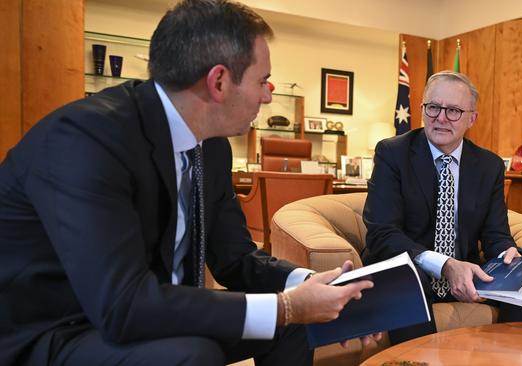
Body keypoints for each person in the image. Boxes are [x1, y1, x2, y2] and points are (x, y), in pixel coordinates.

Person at [0, 1, 377, 365]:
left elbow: (235, 259)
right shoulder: (88, 139)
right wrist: (287, 306)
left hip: (145, 310)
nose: (268, 94)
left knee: (289, 327)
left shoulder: (211, 146)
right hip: (55, 329)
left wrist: (314, 287)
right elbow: (121, 305)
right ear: (219, 81)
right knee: (196, 353)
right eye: (263, 81)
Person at [362, 70, 522, 344]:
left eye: (453, 111)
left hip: (465, 274)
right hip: (409, 265)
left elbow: (495, 234)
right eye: (433, 107)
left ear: (472, 118)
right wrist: (444, 264)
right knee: (410, 281)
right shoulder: (393, 154)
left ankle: (507, 360)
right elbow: (381, 234)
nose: (440, 117)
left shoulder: (489, 166)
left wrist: (509, 255)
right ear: (422, 109)